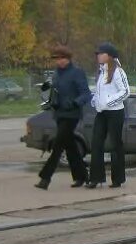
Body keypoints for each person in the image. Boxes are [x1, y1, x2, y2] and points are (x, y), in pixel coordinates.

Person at [34, 45, 92, 190]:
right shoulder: (56, 74)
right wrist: (48, 93)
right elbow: (54, 91)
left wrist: (74, 103)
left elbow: (86, 94)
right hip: (59, 114)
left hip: (72, 115)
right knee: (70, 146)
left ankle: (45, 178)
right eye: (56, 59)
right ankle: (82, 176)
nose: (59, 61)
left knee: (58, 146)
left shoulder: (77, 72)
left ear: (68, 59)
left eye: (61, 58)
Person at [87, 42, 130, 188]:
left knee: (115, 144)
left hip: (115, 113)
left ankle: (118, 179)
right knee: (96, 143)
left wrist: (108, 102)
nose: (98, 56)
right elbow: (100, 92)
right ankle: (95, 178)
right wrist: (95, 100)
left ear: (109, 56)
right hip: (101, 113)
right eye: (97, 54)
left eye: (101, 53)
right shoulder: (101, 72)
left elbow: (125, 91)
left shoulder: (118, 71)